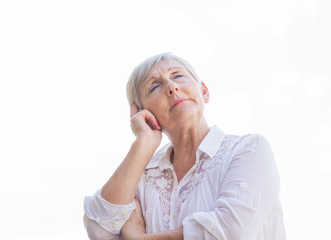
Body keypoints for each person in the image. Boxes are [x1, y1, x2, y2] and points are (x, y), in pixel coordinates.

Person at [83, 53, 286, 239]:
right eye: (154, 87)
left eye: (178, 76)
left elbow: (229, 231)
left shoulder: (249, 150)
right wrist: (143, 143)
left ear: (204, 91)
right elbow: (99, 229)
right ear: (143, 113)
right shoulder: (142, 177)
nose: (171, 87)